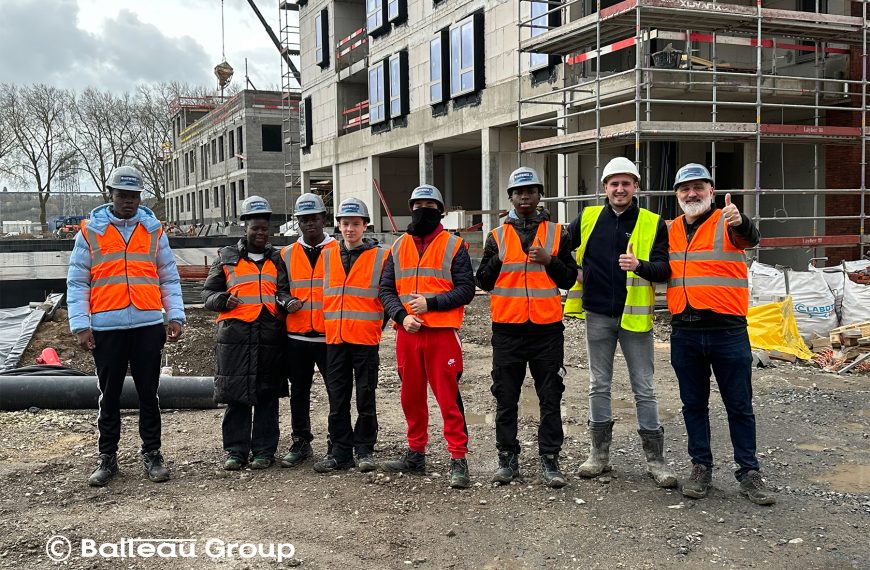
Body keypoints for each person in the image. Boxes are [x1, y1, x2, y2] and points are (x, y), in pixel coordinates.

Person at [67, 165, 185, 487]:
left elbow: (168, 276)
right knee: (109, 396)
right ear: (111, 195)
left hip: (147, 325)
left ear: (140, 197)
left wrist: (175, 315)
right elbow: (78, 282)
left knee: (149, 393)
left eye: (133, 195)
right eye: (122, 195)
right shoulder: (90, 232)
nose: (128, 201)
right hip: (107, 328)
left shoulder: (153, 231)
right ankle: (107, 457)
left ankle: (153, 454)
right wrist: (81, 325)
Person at [564, 157, 677, 488]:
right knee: (598, 384)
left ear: (635, 186)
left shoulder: (652, 223)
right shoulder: (587, 218)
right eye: (614, 183)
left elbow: (664, 269)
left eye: (626, 183)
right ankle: (598, 455)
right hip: (597, 314)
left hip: (635, 319)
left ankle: (655, 460)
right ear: (605, 188)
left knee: (644, 387)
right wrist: (576, 273)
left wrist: (639, 265)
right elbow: (559, 250)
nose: (620, 189)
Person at [668, 163, 775, 506]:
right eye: (685, 189)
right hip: (685, 330)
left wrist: (740, 220)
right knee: (693, 405)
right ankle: (701, 467)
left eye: (699, 187)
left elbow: (750, 238)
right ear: (677, 195)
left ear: (711, 192)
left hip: (727, 331)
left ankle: (749, 472)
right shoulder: (670, 229)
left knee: (739, 405)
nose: (692, 193)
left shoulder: (726, 222)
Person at [475, 166, 578, 488]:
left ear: (539, 195)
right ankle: (507, 458)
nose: (524, 197)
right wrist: (500, 258)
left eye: (530, 191)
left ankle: (550, 458)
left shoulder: (558, 234)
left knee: (551, 396)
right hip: (508, 330)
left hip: (547, 330)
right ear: (510, 197)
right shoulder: (496, 237)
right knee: (506, 397)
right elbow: (483, 281)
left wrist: (550, 261)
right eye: (518, 192)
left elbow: (569, 278)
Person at [379, 185, 476, 489]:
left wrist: (431, 304)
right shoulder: (398, 247)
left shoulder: (454, 245)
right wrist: (402, 316)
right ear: (411, 208)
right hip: (408, 334)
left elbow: (466, 290)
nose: (423, 210)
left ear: (441, 211)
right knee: (411, 397)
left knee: (448, 398)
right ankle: (415, 453)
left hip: (442, 335)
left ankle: (458, 458)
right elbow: (386, 290)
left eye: (430, 206)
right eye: (418, 205)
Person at [202, 196, 291, 470]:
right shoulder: (226, 257)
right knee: (236, 396)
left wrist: (286, 302)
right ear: (245, 228)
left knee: (267, 396)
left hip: (269, 337)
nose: (261, 233)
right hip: (235, 339)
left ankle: (264, 451)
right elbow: (207, 294)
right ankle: (236, 452)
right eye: (255, 228)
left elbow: (283, 291)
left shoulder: (277, 259)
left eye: (265, 228)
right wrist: (221, 300)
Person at [314, 197, 388, 473]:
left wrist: (375, 326)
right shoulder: (327, 255)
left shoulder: (381, 256)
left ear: (365, 226)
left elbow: (387, 296)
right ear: (338, 226)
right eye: (345, 224)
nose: (349, 229)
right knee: (337, 398)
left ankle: (365, 449)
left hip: (365, 340)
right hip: (335, 339)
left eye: (355, 224)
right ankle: (341, 452)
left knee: (365, 396)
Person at [279, 193, 339, 468]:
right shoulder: (286, 254)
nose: (309, 223)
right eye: (304, 219)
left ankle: (336, 442)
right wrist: (286, 301)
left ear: (323, 219)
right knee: (299, 393)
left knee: (336, 392)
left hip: (330, 336)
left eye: (314, 218)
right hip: (297, 337)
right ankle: (301, 440)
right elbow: (279, 289)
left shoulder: (339, 250)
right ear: (298, 222)